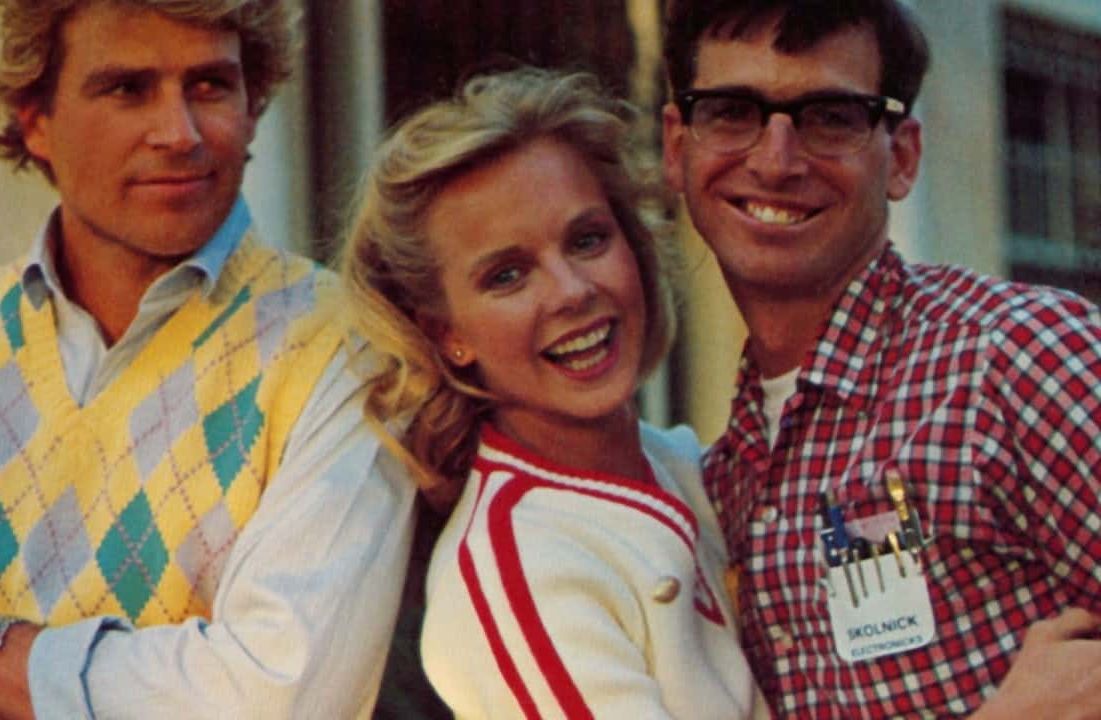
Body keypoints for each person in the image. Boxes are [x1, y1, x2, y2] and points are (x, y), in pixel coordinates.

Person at [0, 1, 414, 718]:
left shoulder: (346, 349)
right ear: (35, 119)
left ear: (253, 107)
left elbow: (277, 696)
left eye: (210, 85)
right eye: (127, 89)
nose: (179, 133)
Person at [661, 0, 1101, 717]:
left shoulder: (1015, 359)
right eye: (733, 112)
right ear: (677, 147)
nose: (775, 161)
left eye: (831, 118)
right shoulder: (727, 475)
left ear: (901, 158)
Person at [340, 66, 768, 719]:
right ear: (447, 334)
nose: (572, 291)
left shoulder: (683, 466)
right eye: (508, 276)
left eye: (588, 240)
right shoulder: (519, 568)